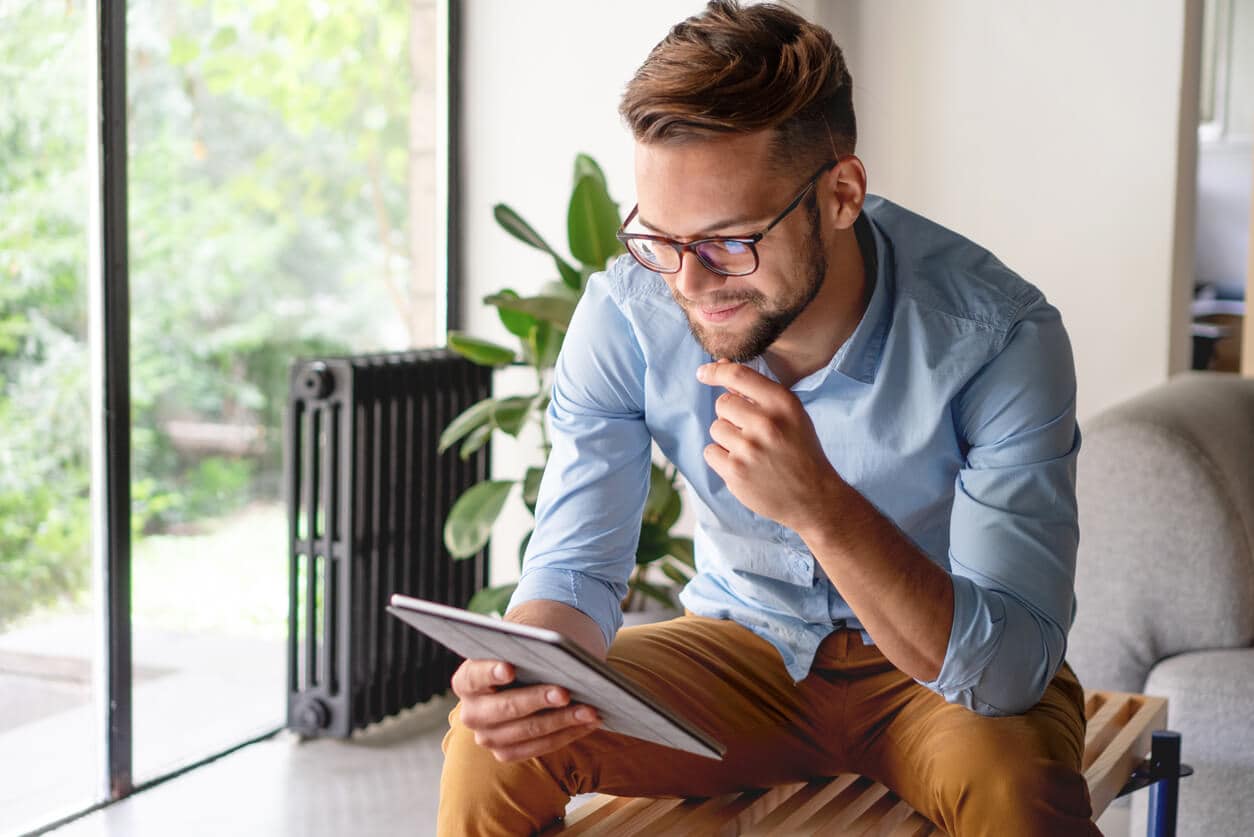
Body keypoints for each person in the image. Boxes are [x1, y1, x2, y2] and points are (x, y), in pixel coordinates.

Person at [439, 2, 1095, 835]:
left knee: (1014, 789)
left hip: (936, 669)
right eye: (660, 238)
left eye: (729, 242)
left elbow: (1008, 670)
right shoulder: (628, 315)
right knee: (490, 747)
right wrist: (523, 669)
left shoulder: (998, 338)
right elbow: (574, 571)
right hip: (740, 650)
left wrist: (821, 506)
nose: (689, 281)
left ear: (841, 194)